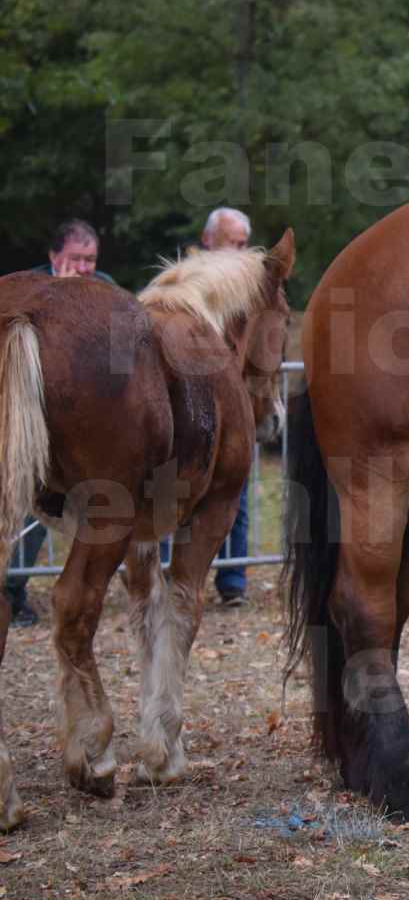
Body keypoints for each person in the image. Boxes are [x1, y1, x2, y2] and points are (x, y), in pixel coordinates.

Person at [5, 220, 119, 627]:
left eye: (91, 260)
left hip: (80, 421)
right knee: (26, 507)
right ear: (55, 257)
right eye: (76, 259)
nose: (85, 268)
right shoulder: (27, 288)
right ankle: (11, 591)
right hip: (25, 415)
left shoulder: (106, 289)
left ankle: (38, 591)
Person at [158, 207, 254, 606]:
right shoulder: (182, 276)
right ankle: (164, 574)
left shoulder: (248, 283)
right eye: (233, 242)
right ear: (207, 238)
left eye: (244, 244)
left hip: (231, 399)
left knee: (237, 492)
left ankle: (233, 581)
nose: (239, 250)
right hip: (185, 397)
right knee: (170, 486)